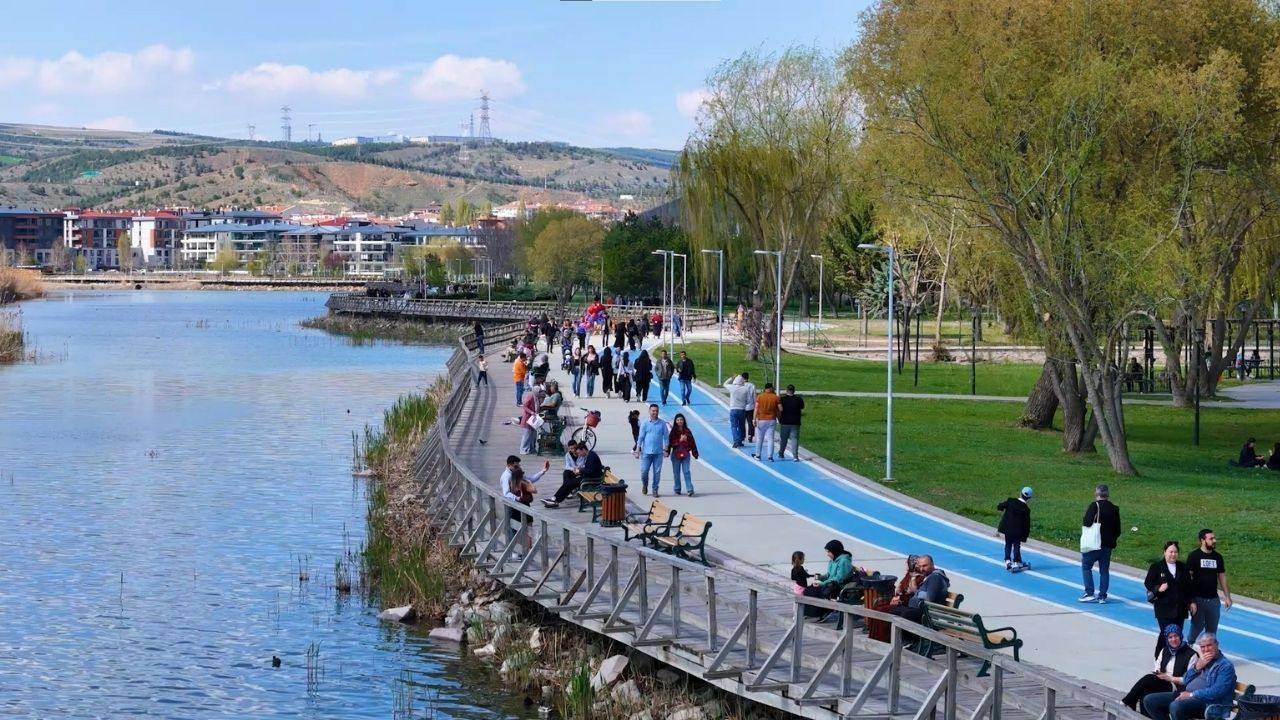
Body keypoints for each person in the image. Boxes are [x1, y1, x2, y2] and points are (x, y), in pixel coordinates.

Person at [1143, 634, 1236, 720]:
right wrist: (1196, 667)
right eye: (1203, 647)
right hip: (1186, 695)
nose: (1206, 649)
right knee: (1150, 700)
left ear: (1217, 645)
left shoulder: (1225, 666)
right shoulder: (1201, 660)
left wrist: (1191, 695)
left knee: (1176, 706)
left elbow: (1217, 691)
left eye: (1209, 645)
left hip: (1208, 704)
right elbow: (1186, 679)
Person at [1124, 625, 1199, 716]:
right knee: (1145, 693)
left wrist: (1170, 678)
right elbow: (1157, 668)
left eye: (1176, 636)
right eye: (1170, 637)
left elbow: (1190, 680)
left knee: (1148, 678)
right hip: (1162, 682)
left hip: (1177, 687)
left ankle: (1129, 701)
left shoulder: (1191, 655)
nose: (1173, 639)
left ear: (1180, 636)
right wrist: (1160, 674)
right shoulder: (1164, 651)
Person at [1145, 541, 1196, 653]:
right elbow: (1148, 582)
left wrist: (1192, 602)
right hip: (1164, 608)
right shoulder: (1157, 567)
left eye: (1175, 552)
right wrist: (1158, 588)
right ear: (1165, 552)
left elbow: (1189, 587)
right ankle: (1159, 655)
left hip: (1180, 608)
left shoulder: (1183, 568)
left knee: (1177, 633)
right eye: (1170, 552)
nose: (1173, 554)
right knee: (1166, 632)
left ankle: (1174, 655)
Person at [1186, 529, 1232, 644]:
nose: (1214, 541)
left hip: (1213, 600)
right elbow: (1187, 579)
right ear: (1202, 540)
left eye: (1214, 538)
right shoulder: (1194, 556)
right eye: (1211, 539)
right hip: (1198, 599)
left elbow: (1221, 576)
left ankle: (1209, 653)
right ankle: (1189, 643)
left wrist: (1227, 596)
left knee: (1212, 630)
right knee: (1197, 626)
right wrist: (1190, 600)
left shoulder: (1218, 557)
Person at [1080, 483, 1121, 604]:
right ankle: (1102, 595)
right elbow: (1118, 529)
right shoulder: (1114, 508)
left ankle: (1089, 592)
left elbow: (1087, 523)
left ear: (1096, 494)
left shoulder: (1094, 506)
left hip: (1094, 543)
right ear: (1107, 494)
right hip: (1107, 545)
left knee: (1086, 566)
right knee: (1104, 571)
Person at [889, 554, 950, 623]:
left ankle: (903, 634)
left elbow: (929, 599)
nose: (921, 569)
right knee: (893, 611)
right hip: (918, 610)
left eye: (924, 566)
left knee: (905, 615)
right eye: (920, 566)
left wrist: (916, 591)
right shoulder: (929, 576)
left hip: (927, 614)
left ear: (932, 565)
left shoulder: (935, 578)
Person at [542, 442, 605, 508]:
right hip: (589, 477)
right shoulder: (590, 455)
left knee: (569, 483)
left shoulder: (592, 457)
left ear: (583, 449)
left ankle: (555, 500)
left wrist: (580, 470)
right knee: (568, 481)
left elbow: (590, 471)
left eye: (579, 452)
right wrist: (581, 469)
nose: (579, 455)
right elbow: (589, 470)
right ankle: (555, 500)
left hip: (592, 480)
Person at [802, 540, 855, 616]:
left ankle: (818, 612)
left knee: (815, 591)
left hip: (839, 586)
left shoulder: (844, 561)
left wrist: (822, 583)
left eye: (828, 552)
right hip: (831, 584)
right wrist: (820, 578)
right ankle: (812, 613)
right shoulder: (832, 560)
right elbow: (829, 575)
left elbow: (839, 578)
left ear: (834, 551)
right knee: (808, 590)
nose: (827, 554)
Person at [634, 403, 669, 497]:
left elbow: (666, 437)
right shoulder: (645, 423)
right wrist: (637, 449)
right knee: (644, 471)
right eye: (653, 411)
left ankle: (655, 489)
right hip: (646, 452)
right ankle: (645, 485)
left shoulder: (662, 424)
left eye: (656, 411)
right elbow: (640, 438)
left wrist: (666, 449)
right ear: (649, 411)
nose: (655, 412)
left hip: (658, 453)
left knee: (657, 472)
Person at [997, 487, 1033, 571]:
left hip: (1007, 528)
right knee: (1016, 545)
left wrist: (1001, 508)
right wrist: (1025, 535)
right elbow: (1027, 524)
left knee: (1008, 544)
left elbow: (1000, 506)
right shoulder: (1026, 509)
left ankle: (1007, 560)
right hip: (1018, 531)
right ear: (1029, 498)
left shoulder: (1011, 501)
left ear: (1020, 493)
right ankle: (1016, 561)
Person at [667, 413, 700, 496]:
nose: (679, 421)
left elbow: (692, 442)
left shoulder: (687, 431)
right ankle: (677, 488)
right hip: (675, 454)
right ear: (675, 421)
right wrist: (679, 441)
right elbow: (670, 443)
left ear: (684, 421)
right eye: (678, 420)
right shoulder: (673, 431)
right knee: (676, 472)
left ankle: (690, 489)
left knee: (686, 471)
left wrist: (695, 453)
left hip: (685, 453)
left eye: (681, 420)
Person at [725, 372, 756, 448]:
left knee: (734, 426)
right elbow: (749, 400)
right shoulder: (745, 389)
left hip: (733, 409)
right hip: (742, 409)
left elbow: (724, 384)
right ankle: (741, 439)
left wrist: (731, 378)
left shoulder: (732, 388)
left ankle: (736, 440)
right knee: (741, 426)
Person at [753, 382, 781, 461]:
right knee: (770, 439)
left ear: (765, 389)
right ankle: (770, 457)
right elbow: (780, 408)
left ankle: (758, 455)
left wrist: (754, 419)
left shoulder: (760, 397)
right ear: (771, 388)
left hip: (761, 419)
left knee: (759, 439)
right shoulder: (776, 397)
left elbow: (756, 408)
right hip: (772, 419)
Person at [778, 384, 805, 461]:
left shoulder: (782, 399)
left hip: (784, 421)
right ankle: (795, 456)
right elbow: (802, 411)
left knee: (783, 439)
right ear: (794, 391)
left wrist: (779, 419)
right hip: (795, 422)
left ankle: (781, 453)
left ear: (787, 390)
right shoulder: (799, 399)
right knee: (794, 439)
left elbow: (780, 410)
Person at [518, 387, 543, 455]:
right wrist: (531, 412)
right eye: (539, 391)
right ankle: (523, 449)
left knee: (533, 435)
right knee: (527, 435)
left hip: (534, 419)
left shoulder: (537, 397)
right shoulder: (531, 396)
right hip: (528, 418)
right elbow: (525, 406)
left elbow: (537, 406)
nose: (540, 393)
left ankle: (532, 448)